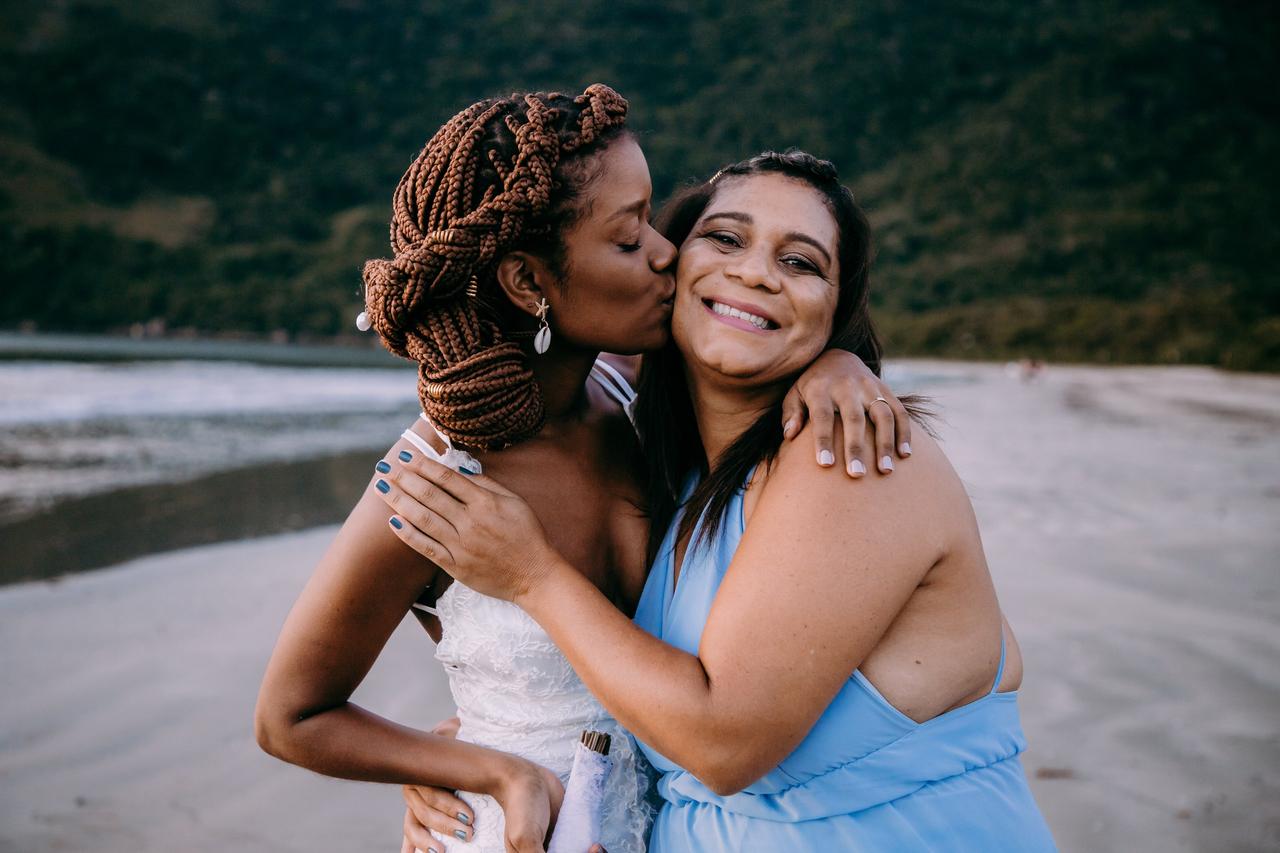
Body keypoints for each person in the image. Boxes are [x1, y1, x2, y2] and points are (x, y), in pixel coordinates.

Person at [254, 87, 913, 853]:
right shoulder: (439, 477)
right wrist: (486, 770)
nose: (670, 250)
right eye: (631, 240)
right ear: (529, 282)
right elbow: (290, 716)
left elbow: (758, 332)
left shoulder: (628, 389)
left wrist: (835, 363)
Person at [379, 150, 1057, 850]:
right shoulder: (672, 471)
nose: (757, 272)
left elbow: (723, 745)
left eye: (803, 263)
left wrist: (532, 575)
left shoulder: (851, 454)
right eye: (727, 238)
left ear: (834, 309)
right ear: (669, 266)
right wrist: (475, 755)